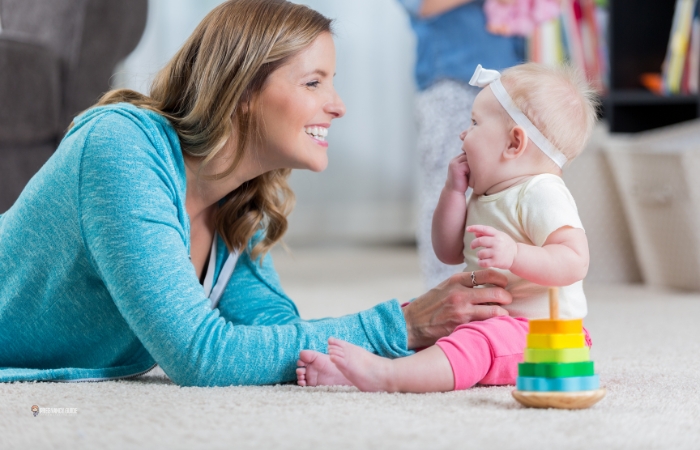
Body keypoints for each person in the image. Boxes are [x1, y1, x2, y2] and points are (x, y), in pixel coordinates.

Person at [0, 0, 513, 387]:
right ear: (243, 90)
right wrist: (402, 324)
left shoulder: (241, 203)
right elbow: (198, 355)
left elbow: (274, 335)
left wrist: (433, 345)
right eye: (314, 83)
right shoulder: (121, 145)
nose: (338, 106)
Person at [296, 62, 599, 392]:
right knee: (426, 316)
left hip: (544, 335)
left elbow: (574, 260)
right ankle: (347, 371)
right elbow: (449, 251)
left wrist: (515, 254)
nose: (463, 133)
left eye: (474, 123)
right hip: (490, 316)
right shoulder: (485, 195)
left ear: (514, 143)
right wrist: (453, 193)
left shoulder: (542, 191)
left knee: (477, 341)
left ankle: (389, 377)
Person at [396, 0, 526, 290]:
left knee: (508, 185)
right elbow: (422, 5)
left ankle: (500, 278)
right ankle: (442, 286)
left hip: (507, 78)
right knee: (446, 185)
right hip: (451, 81)